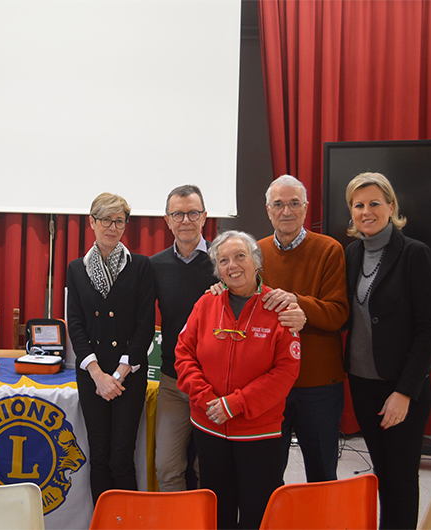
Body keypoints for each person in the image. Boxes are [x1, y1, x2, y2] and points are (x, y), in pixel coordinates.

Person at [175, 230, 300, 530]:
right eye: (223, 261)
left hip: (259, 432)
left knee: (259, 510)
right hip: (209, 426)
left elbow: (285, 372)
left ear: (256, 261)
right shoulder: (206, 304)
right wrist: (207, 400)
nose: (232, 266)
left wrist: (235, 404)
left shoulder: (279, 308)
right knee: (218, 509)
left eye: (240, 256)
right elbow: (184, 354)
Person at [344, 173, 431, 530]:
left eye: (374, 203)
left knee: (400, 477)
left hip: (401, 387)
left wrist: (404, 392)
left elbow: (428, 328)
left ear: (391, 206)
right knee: (381, 472)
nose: (366, 211)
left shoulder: (414, 253)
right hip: (362, 382)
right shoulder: (352, 253)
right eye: (358, 205)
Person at [259, 175, 349, 482]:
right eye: (278, 204)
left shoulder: (330, 250)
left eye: (294, 203)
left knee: (322, 474)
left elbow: (338, 314)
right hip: (270, 383)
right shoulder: (255, 253)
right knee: (268, 474)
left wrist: (299, 304)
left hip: (319, 384)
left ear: (306, 208)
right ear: (268, 210)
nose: (286, 211)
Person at [66, 192, 155, 504]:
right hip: (92, 375)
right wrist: (97, 375)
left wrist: (117, 375)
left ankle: (126, 522)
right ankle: (103, 521)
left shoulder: (141, 266)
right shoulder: (76, 269)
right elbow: (75, 324)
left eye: (119, 221)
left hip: (128, 375)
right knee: (99, 456)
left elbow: (145, 326)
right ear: (92, 222)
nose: (112, 227)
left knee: (121, 457)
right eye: (105, 220)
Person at [150, 185, 217, 491]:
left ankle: (207, 516)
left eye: (193, 213)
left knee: (210, 469)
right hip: (172, 381)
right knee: (166, 467)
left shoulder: (223, 262)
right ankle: (174, 516)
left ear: (204, 216)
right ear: (167, 220)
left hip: (214, 383)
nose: (186, 220)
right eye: (178, 214)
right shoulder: (155, 265)